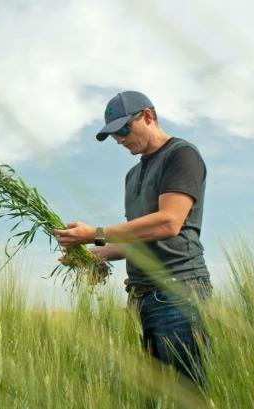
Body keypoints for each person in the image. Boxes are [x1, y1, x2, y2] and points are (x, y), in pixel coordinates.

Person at [53, 90, 213, 388]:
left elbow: (168, 222)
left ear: (149, 116)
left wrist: (95, 233)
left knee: (188, 394)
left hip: (178, 292)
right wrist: (92, 253)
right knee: (154, 396)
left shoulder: (181, 155)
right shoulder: (131, 176)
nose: (120, 140)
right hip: (140, 298)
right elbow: (138, 238)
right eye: (113, 136)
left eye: (123, 130)